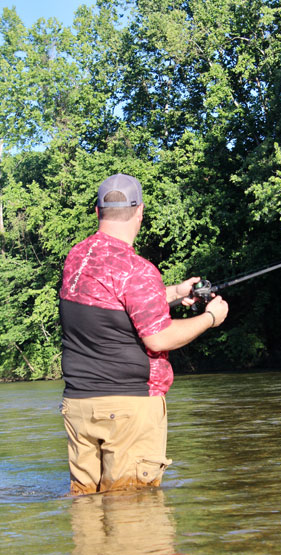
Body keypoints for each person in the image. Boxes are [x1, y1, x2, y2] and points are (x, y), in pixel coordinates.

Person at [59, 173, 229, 495]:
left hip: (78, 406)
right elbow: (159, 337)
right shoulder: (137, 270)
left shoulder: (76, 258)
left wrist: (176, 292)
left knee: (86, 512)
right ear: (140, 212)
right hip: (128, 408)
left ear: (97, 212)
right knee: (134, 517)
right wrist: (210, 317)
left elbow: (113, 304)